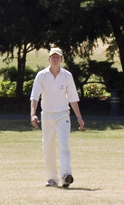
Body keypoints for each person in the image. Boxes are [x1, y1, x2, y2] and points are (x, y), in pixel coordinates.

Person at [30, 47, 85, 188]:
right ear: (49, 59)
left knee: (64, 144)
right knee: (48, 146)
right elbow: (35, 96)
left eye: (57, 57)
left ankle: (66, 175)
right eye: (52, 57)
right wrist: (33, 114)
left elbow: (73, 98)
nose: (55, 59)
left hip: (63, 115)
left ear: (61, 59)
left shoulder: (67, 76)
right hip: (47, 115)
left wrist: (79, 117)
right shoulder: (41, 75)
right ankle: (52, 179)